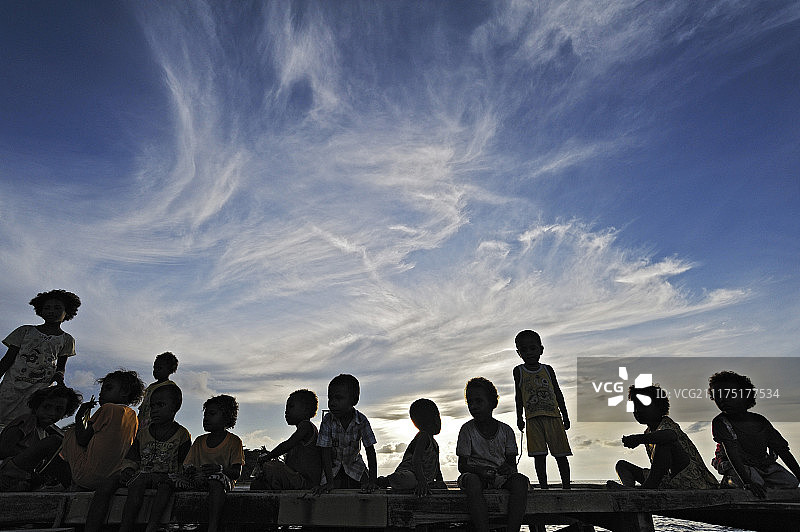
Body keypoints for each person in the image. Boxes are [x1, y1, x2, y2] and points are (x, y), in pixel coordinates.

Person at [64, 370, 144, 532]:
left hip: (88, 477)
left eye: (108, 388)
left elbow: (82, 439)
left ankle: (69, 482)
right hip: (112, 477)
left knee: (70, 433)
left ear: (124, 392)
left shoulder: (107, 409)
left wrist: (79, 418)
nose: (101, 393)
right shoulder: (133, 416)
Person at [708, 370, 800, 498]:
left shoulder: (760, 421)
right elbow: (732, 453)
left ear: (745, 396)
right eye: (718, 396)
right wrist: (747, 482)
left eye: (729, 394)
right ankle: (729, 481)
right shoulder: (721, 422)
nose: (723, 400)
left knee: (791, 482)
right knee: (755, 483)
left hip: (762, 464)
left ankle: (755, 483)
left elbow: (783, 450)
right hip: (736, 465)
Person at [611, 385, 717, 490]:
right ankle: (628, 489)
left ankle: (647, 488)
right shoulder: (649, 432)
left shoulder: (667, 424)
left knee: (665, 442)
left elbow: (670, 435)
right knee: (622, 465)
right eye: (635, 406)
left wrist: (638, 439)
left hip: (695, 481)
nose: (638, 410)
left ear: (659, 406)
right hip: (668, 481)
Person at [457, 377, 529, 532]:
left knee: (521, 481)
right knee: (473, 482)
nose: (474, 406)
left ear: (492, 403)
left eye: (478, 401)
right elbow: (462, 465)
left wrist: (508, 470)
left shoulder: (506, 431)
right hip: (473, 476)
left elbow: (511, 465)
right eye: (470, 402)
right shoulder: (467, 430)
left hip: (498, 477)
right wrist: (479, 471)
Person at [0, 290, 81, 426]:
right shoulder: (25, 331)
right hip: (12, 384)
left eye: (57, 308)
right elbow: (7, 360)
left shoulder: (67, 340)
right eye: (47, 308)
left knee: (25, 421)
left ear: (67, 312)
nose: (51, 311)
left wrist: (59, 377)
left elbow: (61, 367)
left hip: (39, 388)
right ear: (40, 311)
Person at [119, 384, 191, 532]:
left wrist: (177, 478)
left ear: (175, 408)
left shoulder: (182, 434)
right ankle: (125, 527)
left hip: (168, 478)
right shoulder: (143, 433)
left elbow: (185, 463)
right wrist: (128, 469)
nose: (155, 409)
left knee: (165, 487)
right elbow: (132, 458)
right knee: (135, 484)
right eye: (152, 406)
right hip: (144, 476)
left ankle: (152, 526)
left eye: (161, 405)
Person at [513, 329, 571, 489]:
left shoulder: (548, 369)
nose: (529, 353)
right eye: (523, 350)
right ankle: (544, 487)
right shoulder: (518, 371)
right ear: (519, 353)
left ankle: (567, 487)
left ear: (541, 349)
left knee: (561, 454)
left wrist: (565, 416)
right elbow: (519, 396)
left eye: (532, 348)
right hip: (532, 418)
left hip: (553, 416)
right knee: (539, 455)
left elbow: (558, 393)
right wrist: (519, 417)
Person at [177, 394, 244, 532]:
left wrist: (218, 469)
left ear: (227, 417)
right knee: (170, 480)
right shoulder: (199, 441)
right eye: (205, 415)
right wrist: (192, 471)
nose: (206, 418)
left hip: (222, 481)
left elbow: (236, 472)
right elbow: (187, 466)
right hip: (200, 480)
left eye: (212, 414)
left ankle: (212, 527)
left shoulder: (234, 441)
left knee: (215, 480)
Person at [0, 384, 81, 491]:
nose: (52, 413)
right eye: (47, 407)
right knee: (55, 441)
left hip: (23, 480)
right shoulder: (27, 421)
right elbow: (3, 450)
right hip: (6, 474)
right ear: (37, 406)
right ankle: (74, 487)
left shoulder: (46, 432)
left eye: (59, 409)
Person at [314, 374, 378, 493]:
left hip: (355, 467)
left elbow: (370, 451)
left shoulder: (361, 421)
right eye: (330, 398)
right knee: (329, 490)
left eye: (338, 398)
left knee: (367, 490)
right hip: (332, 470)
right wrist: (330, 482)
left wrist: (372, 481)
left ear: (354, 400)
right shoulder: (327, 421)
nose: (332, 403)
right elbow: (325, 453)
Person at [251, 389, 321, 490]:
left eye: (291, 407)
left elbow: (287, 444)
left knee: (272, 467)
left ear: (306, 409)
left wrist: (268, 456)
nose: (286, 412)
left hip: (305, 482)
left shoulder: (306, 426)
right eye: (286, 408)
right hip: (296, 479)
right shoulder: (302, 431)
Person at [377, 398, 445, 497]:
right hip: (410, 473)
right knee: (408, 480)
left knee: (430, 485)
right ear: (433, 420)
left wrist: (440, 481)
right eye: (437, 417)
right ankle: (384, 481)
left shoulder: (435, 444)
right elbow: (416, 460)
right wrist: (421, 481)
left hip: (424, 480)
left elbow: (436, 466)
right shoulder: (423, 436)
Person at [138, 351, 179, 430]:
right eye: (154, 368)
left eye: (159, 368)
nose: (155, 371)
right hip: (142, 423)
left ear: (170, 370)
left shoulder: (170, 387)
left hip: (156, 424)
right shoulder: (150, 387)